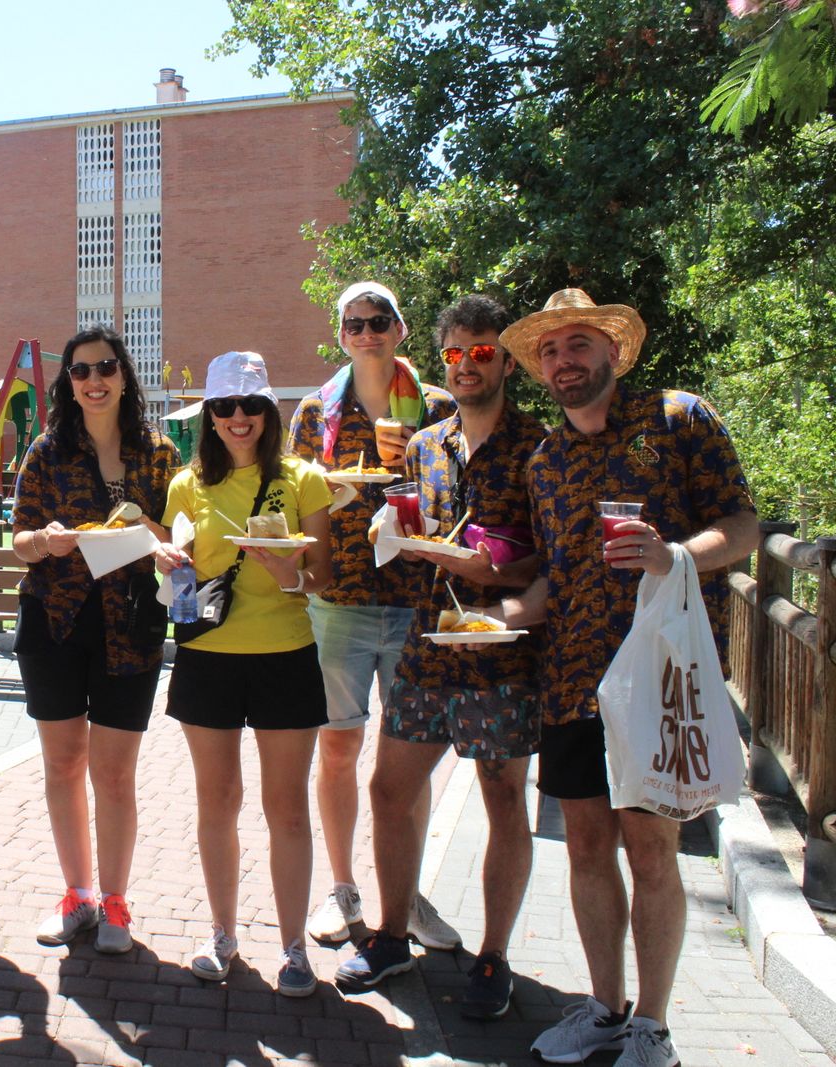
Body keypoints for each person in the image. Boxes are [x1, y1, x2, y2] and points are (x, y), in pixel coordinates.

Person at [490, 290, 758, 1067]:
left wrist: (677, 553)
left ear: (612, 349)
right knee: (584, 847)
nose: (564, 360)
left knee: (651, 847)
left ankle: (654, 1023)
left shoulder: (678, 418)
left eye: (578, 344)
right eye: (550, 350)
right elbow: (553, 583)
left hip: (658, 676)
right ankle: (604, 1009)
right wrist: (500, 616)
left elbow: (742, 525)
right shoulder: (544, 460)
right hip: (572, 680)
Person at [333, 296, 546, 1017]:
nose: (466, 364)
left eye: (481, 351)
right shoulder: (426, 445)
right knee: (388, 790)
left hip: (504, 654)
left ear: (506, 360)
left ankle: (493, 956)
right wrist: (389, 532)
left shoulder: (541, 448)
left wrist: (501, 580)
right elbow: (413, 535)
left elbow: (555, 562)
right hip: (428, 646)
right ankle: (392, 936)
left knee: (504, 799)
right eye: (454, 352)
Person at [288, 281, 461, 950]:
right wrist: (324, 492)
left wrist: (412, 471)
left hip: (419, 599)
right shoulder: (313, 412)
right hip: (340, 602)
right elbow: (297, 496)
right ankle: (342, 888)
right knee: (337, 745)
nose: (366, 332)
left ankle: (406, 894)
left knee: (408, 757)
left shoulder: (439, 406)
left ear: (400, 328)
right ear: (341, 336)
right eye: (354, 323)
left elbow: (463, 495)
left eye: (378, 320)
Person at [157, 351, 333, 995]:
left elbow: (325, 575)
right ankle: (222, 933)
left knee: (286, 809)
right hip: (207, 658)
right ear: (210, 414)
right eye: (225, 407)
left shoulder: (304, 478)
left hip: (286, 655)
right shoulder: (185, 485)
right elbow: (176, 576)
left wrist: (292, 575)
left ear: (268, 411)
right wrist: (169, 564)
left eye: (250, 406)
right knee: (217, 803)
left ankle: (292, 948)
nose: (238, 418)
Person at [10, 326, 181, 953]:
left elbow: (178, 534)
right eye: (81, 371)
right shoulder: (47, 452)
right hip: (55, 620)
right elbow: (20, 539)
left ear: (124, 374)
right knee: (63, 764)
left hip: (130, 625)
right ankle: (77, 895)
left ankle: (115, 903)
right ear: (68, 384)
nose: (94, 379)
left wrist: (149, 532)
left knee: (113, 775)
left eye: (106, 367)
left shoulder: (159, 453)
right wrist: (45, 540)